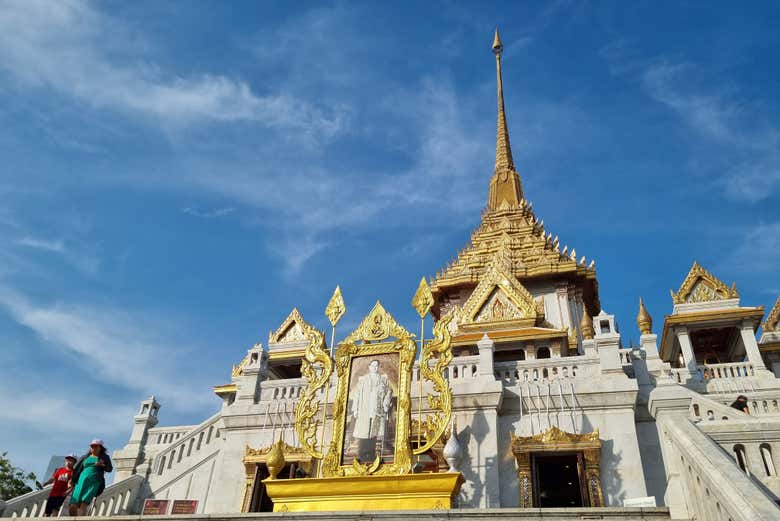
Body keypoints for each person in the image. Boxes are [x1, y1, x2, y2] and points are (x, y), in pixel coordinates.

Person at [351, 359, 393, 462]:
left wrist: (385, 404)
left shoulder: (383, 380)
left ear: (379, 367)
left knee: (374, 432)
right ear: (369, 367)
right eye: (373, 366)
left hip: (377, 409)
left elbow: (389, 392)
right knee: (364, 432)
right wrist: (355, 409)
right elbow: (357, 395)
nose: (374, 368)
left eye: (376, 366)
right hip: (364, 408)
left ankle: (372, 455)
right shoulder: (363, 379)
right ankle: (361, 455)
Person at [68, 439, 113, 516]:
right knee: (73, 505)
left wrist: (102, 465)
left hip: (94, 482)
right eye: (92, 446)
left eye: (95, 446)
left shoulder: (105, 457)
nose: (93, 448)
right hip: (81, 481)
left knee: (84, 503)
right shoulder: (85, 457)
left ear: (100, 448)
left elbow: (109, 469)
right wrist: (72, 481)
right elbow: (76, 469)